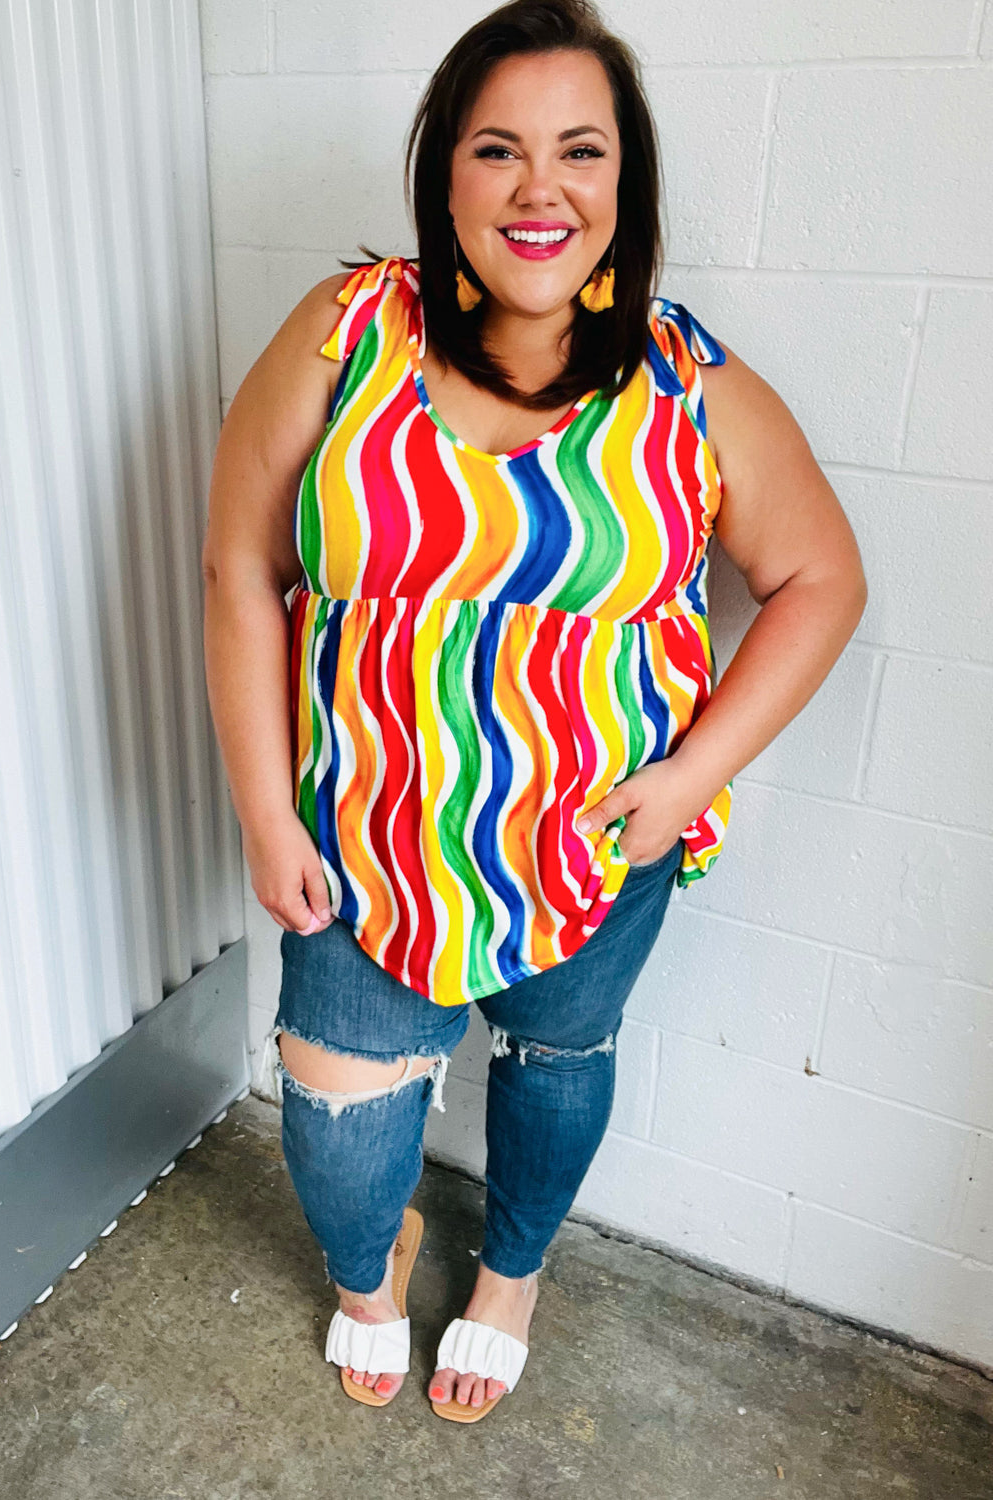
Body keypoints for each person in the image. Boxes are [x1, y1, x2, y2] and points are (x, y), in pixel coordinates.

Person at [202, 0, 866, 1424]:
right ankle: (372, 1273)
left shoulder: (689, 385)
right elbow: (239, 570)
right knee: (338, 1145)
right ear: (445, 176)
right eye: (497, 149)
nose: (539, 187)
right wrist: (265, 810)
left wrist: (692, 779)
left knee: (558, 1067)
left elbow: (821, 579)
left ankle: (511, 1273)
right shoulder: (345, 333)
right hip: (362, 846)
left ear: (626, 184)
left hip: (592, 850)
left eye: (581, 150)